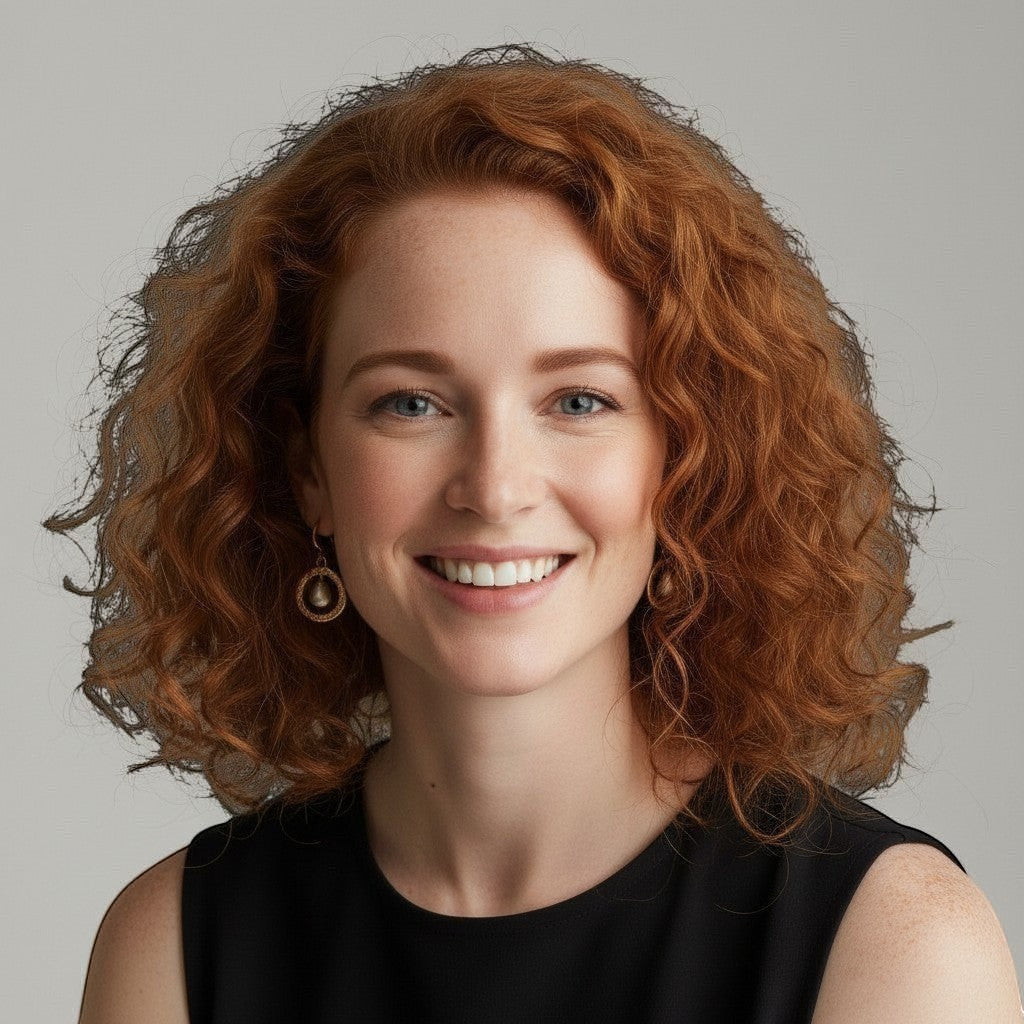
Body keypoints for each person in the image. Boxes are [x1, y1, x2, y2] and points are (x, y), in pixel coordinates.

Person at [47, 43, 1020, 1024]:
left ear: (682, 460)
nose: (496, 486)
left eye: (580, 398)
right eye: (412, 403)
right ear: (310, 473)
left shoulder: (891, 941)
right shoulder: (173, 944)